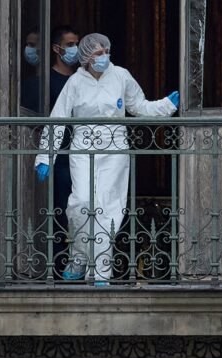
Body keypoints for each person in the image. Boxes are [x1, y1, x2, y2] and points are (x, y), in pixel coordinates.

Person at [34, 33, 179, 285]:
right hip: (83, 148)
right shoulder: (76, 82)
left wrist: (165, 105)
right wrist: (45, 156)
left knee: (108, 208)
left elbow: (139, 107)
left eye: (105, 52)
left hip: (114, 149)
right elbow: (58, 119)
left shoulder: (121, 75)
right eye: (97, 53)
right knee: (80, 203)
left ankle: (100, 271)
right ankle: (78, 257)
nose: (103, 57)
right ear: (86, 56)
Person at [44, 25, 78, 274]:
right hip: (60, 157)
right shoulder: (46, 82)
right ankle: (57, 265)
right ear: (57, 49)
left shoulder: (81, 79)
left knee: (83, 210)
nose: (74, 49)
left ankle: (81, 264)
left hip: (82, 153)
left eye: (76, 43)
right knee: (60, 212)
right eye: (69, 44)